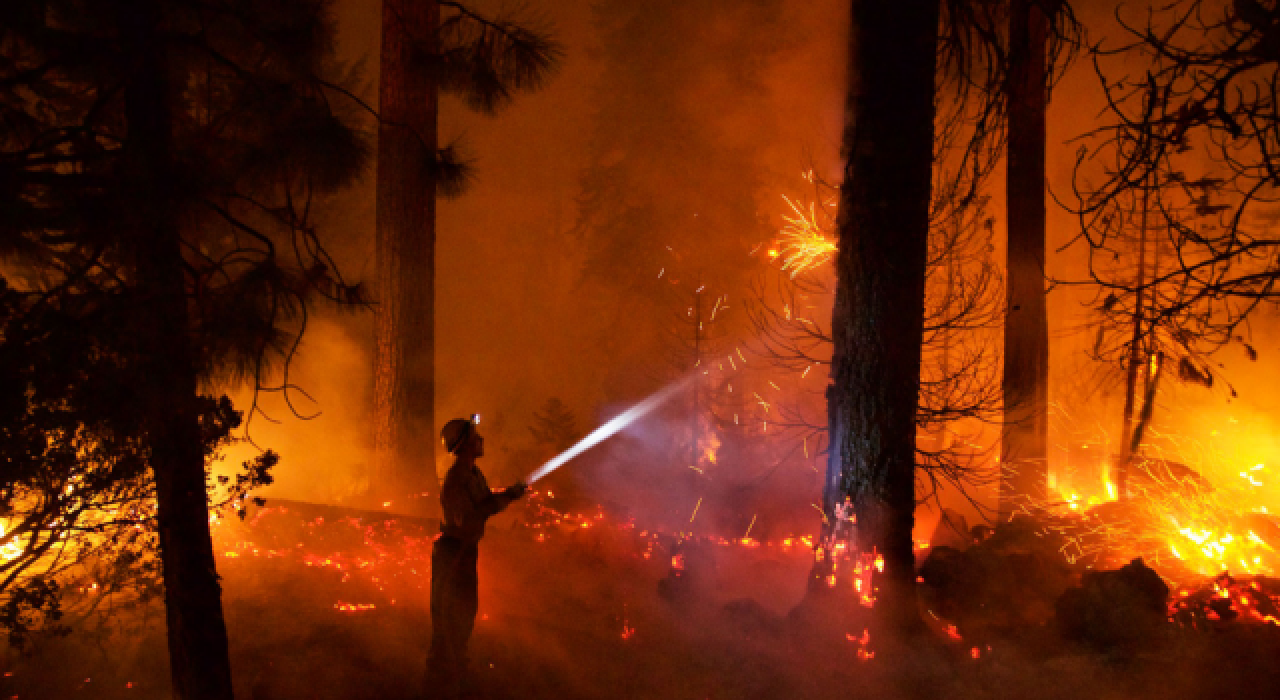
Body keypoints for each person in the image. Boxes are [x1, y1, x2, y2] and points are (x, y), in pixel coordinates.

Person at [424, 415, 527, 699]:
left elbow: (483, 503)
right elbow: (466, 518)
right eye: (475, 437)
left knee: (464, 616)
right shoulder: (456, 480)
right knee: (447, 621)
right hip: (453, 554)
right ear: (465, 445)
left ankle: (457, 679)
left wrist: (508, 495)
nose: (481, 440)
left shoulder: (474, 474)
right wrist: (503, 499)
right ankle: (438, 686)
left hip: (465, 553)